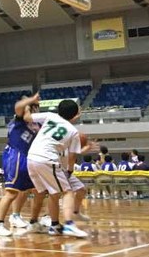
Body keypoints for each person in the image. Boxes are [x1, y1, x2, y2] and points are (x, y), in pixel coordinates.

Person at [27, 99, 88, 238]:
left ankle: (54, 225)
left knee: (53, 193)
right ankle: (69, 225)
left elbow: (27, 117)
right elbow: (72, 157)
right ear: (75, 115)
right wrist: (70, 171)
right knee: (67, 192)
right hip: (47, 158)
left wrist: (25, 106)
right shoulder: (73, 131)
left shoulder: (50, 116)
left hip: (31, 157)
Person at [0, 94, 43, 237]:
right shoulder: (20, 118)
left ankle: (25, 219)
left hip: (30, 157)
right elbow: (18, 106)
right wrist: (30, 100)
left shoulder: (37, 123)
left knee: (33, 190)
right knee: (11, 192)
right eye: (35, 106)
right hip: (16, 155)